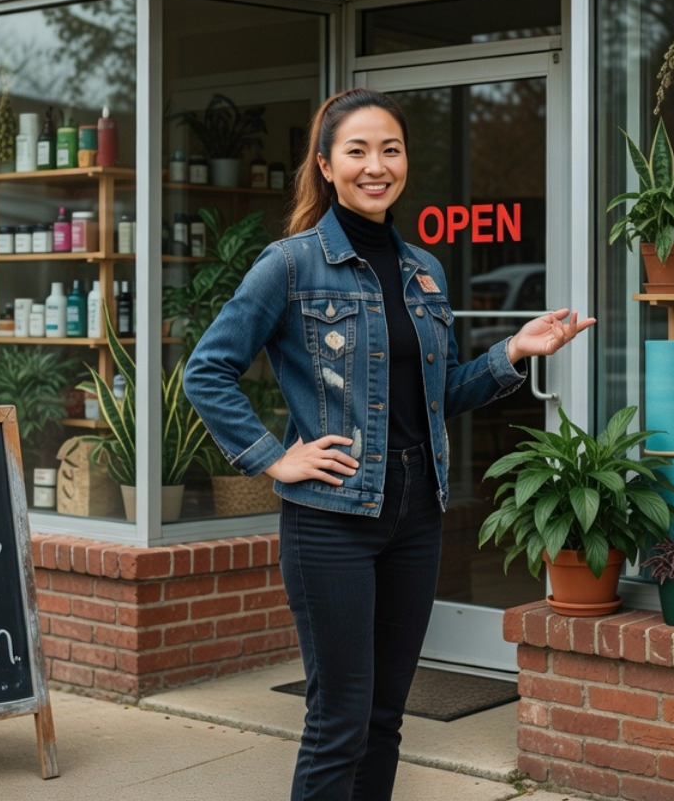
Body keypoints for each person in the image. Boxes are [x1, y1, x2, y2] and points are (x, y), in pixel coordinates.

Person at [183, 87, 593, 801]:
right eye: (358, 150)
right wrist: (275, 457)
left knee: (384, 719)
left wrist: (514, 352)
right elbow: (206, 370)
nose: (376, 166)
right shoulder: (290, 265)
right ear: (326, 164)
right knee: (338, 721)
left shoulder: (423, 270)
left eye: (391, 149)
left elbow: (441, 395)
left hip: (416, 512)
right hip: (331, 515)